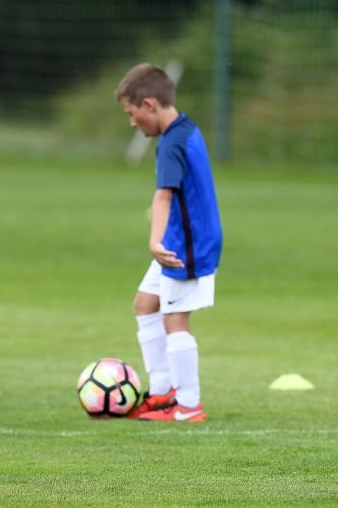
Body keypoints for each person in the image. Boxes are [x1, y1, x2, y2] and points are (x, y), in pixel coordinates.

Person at [115, 64, 222, 422]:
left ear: (149, 104)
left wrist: (154, 240)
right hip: (183, 237)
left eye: (132, 114)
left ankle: (188, 404)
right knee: (146, 304)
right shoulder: (186, 128)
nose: (133, 123)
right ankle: (162, 393)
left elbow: (163, 196)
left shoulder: (172, 143)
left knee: (174, 319)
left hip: (184, 244)